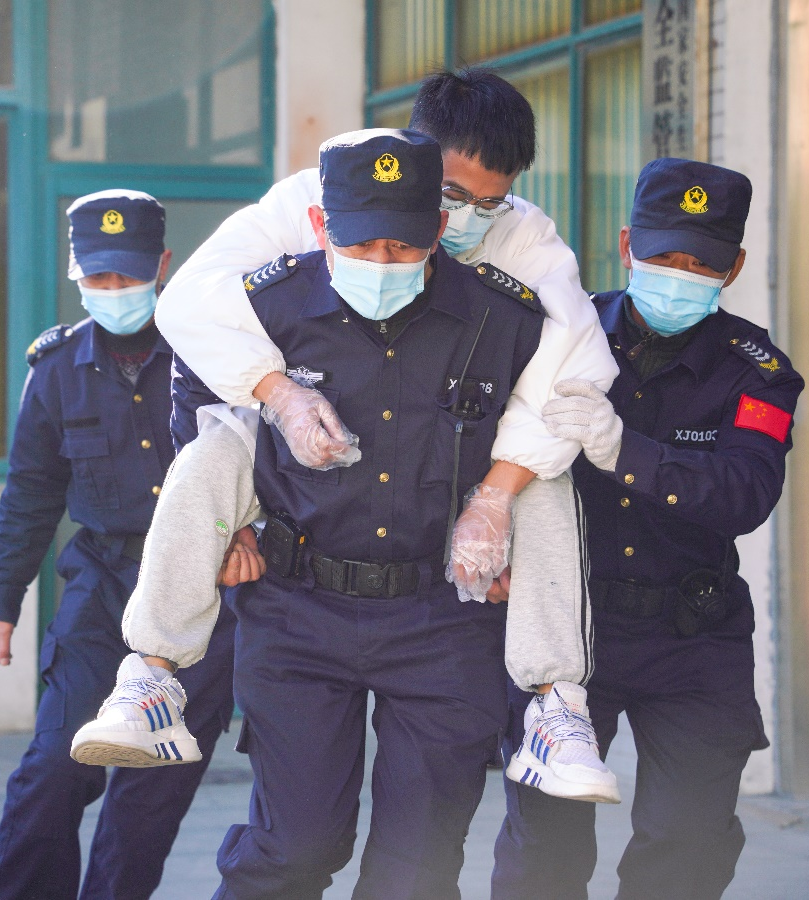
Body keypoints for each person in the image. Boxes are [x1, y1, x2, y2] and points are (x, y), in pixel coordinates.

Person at [73, 69, 622, 806]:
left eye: (488, 202)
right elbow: (193, 313)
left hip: (440, 493)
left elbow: (578, 367)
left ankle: (557, 708)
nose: (465, 219)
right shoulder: (318, 196)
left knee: (544, 479)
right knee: (213, 453)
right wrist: (277, 397)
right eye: (450, 194)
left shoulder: (523, 236)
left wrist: (496, 497)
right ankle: (151, 676)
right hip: (305, 490)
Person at [203, 126, 546, 898]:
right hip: (296, 609)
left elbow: (554, 424)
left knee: (416, 870)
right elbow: (195, 408)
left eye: (403, 245)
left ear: (439, 228)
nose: (383, 263)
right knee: (295, 848)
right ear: (321, 224)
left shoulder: (503, 318)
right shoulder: (265, 305)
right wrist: (223, 528)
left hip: (441, 617)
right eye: (361, 244)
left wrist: (505, 519)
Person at [491, 158, 807, 899]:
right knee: (544, 848)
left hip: (694, 633)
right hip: (571, 629)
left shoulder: (756, 371)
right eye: (666, 256)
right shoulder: (561, 334)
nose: (681, 275)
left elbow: (746, 493)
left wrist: (623, 451)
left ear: (734, 268)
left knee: (690, 843)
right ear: (629, 244)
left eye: (703, 264)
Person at [0, 190, 238, 900]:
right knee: (52, 771)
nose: (114, 289)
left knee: (146, 801)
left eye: (129, 273)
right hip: (102, 590)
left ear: (163, 265)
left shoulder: (214, 356)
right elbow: (30, 494)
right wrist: (0, 602)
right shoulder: (55, 369)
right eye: (99, 276)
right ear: (76, 273)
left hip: (199, 598)